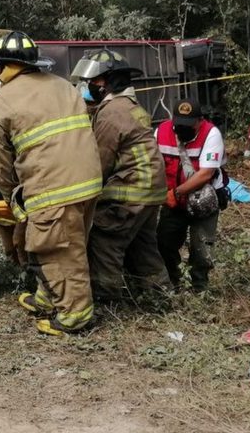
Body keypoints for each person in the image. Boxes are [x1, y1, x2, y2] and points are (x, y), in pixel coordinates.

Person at [0, 31, 103, 335]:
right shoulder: (63, 85)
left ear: (2, 66)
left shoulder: (2, 101)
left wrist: (11, 197)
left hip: (54, 187)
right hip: (89, 181)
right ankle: (46, 298)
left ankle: (76, 316)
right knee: (69, 242)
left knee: (53, 250)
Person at [70, 49, 169, 303]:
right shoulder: (130, 106)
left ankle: (107, 299)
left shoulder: (112, 112)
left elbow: (99, 162)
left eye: (94, 81)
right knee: (143, 246)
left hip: (130, 190)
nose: (90, 86)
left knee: (105, 239)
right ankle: (159, 296)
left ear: (109, 82)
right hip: (151, 189)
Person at [155, 98, 226, 292]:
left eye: (189, 124)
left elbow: (206, 173)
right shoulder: (161, 132)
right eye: (179, 124)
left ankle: (199, 288)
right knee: (164, 243)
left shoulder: (211, 134)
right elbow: (153, 163)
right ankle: (175, 282)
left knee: (201, 249)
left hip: (203, 200)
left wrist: (176, 192)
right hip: (173, 201)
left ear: (200, 120)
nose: (183, 129)